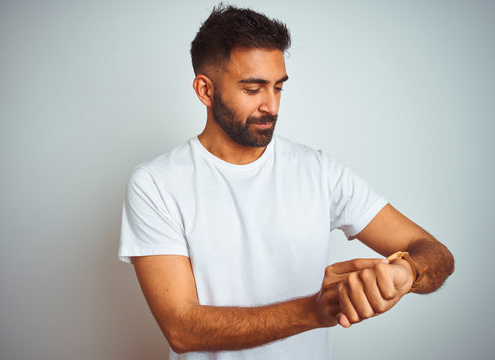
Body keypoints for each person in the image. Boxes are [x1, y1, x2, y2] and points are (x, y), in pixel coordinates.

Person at [118, 4, 454, 360]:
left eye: (278, 87)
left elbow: (435, 253)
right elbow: (181, 328)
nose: (271, 105)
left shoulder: (320, 172)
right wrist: (314, 310)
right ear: (205, 90)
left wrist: (405, 273)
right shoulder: (156, 184)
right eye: (253, 89)